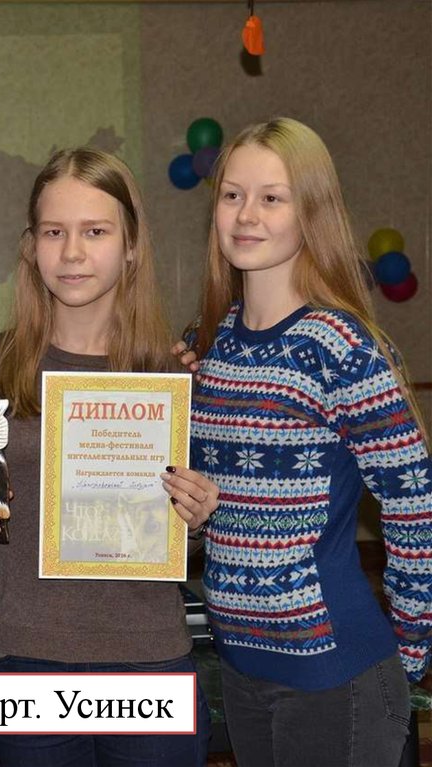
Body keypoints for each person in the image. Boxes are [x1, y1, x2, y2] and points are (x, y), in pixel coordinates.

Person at [0, 147, 217, 767]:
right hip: (28, 659)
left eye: (95, 232)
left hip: (149, 660)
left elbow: (187, 543)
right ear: (31, 246)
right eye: (53, 232)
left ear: (131, 246)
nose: (71, 253)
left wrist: (199, 517)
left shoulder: (173, 374)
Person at [183, 117, 432, 767]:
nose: (246, 214)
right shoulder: (209, 346)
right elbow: (199, 506)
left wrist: (410, 651)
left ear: (311, 211)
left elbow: (413, 501)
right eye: (232, 195)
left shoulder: (342, 346)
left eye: (273, 197)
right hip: (238, 666)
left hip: (336, 673)